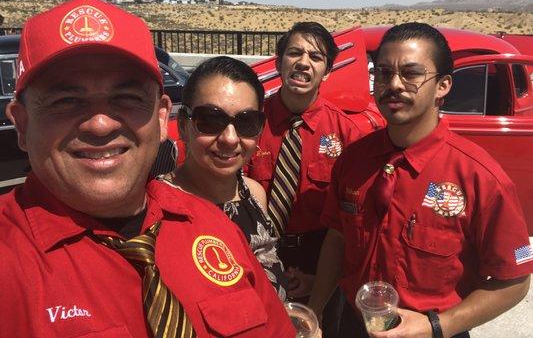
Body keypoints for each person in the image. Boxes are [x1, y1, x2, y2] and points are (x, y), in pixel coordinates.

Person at [0, 0, 294, 337]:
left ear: (159, 118)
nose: (100, 124)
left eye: (127, 98)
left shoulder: (213, 225)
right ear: (22, 125)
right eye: (66, 101)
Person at [310, 22, 533, 338]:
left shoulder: (478, 177)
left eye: (411, 74)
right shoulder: (353, 160)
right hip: (354, 325)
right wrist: (316, 314)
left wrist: (436, 326)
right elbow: (337, 239)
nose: (394, 85)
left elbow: (514, 280)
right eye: (384, 73)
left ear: (442, 86)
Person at [247, 22, 362, 334]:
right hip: (254, 250)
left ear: (326, 71)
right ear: (279, 61)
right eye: (294, 52)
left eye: (315, 56)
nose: (303, 62)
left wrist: (320, 280)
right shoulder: (249, 123)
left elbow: (348, 226)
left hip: (321, 257)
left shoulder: (346, 133)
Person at [162, 56, 287, 300]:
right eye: (210, 121)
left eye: (246, 122)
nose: (230, 138)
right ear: (184, 126)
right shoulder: (159, 208)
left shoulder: (253, 194)